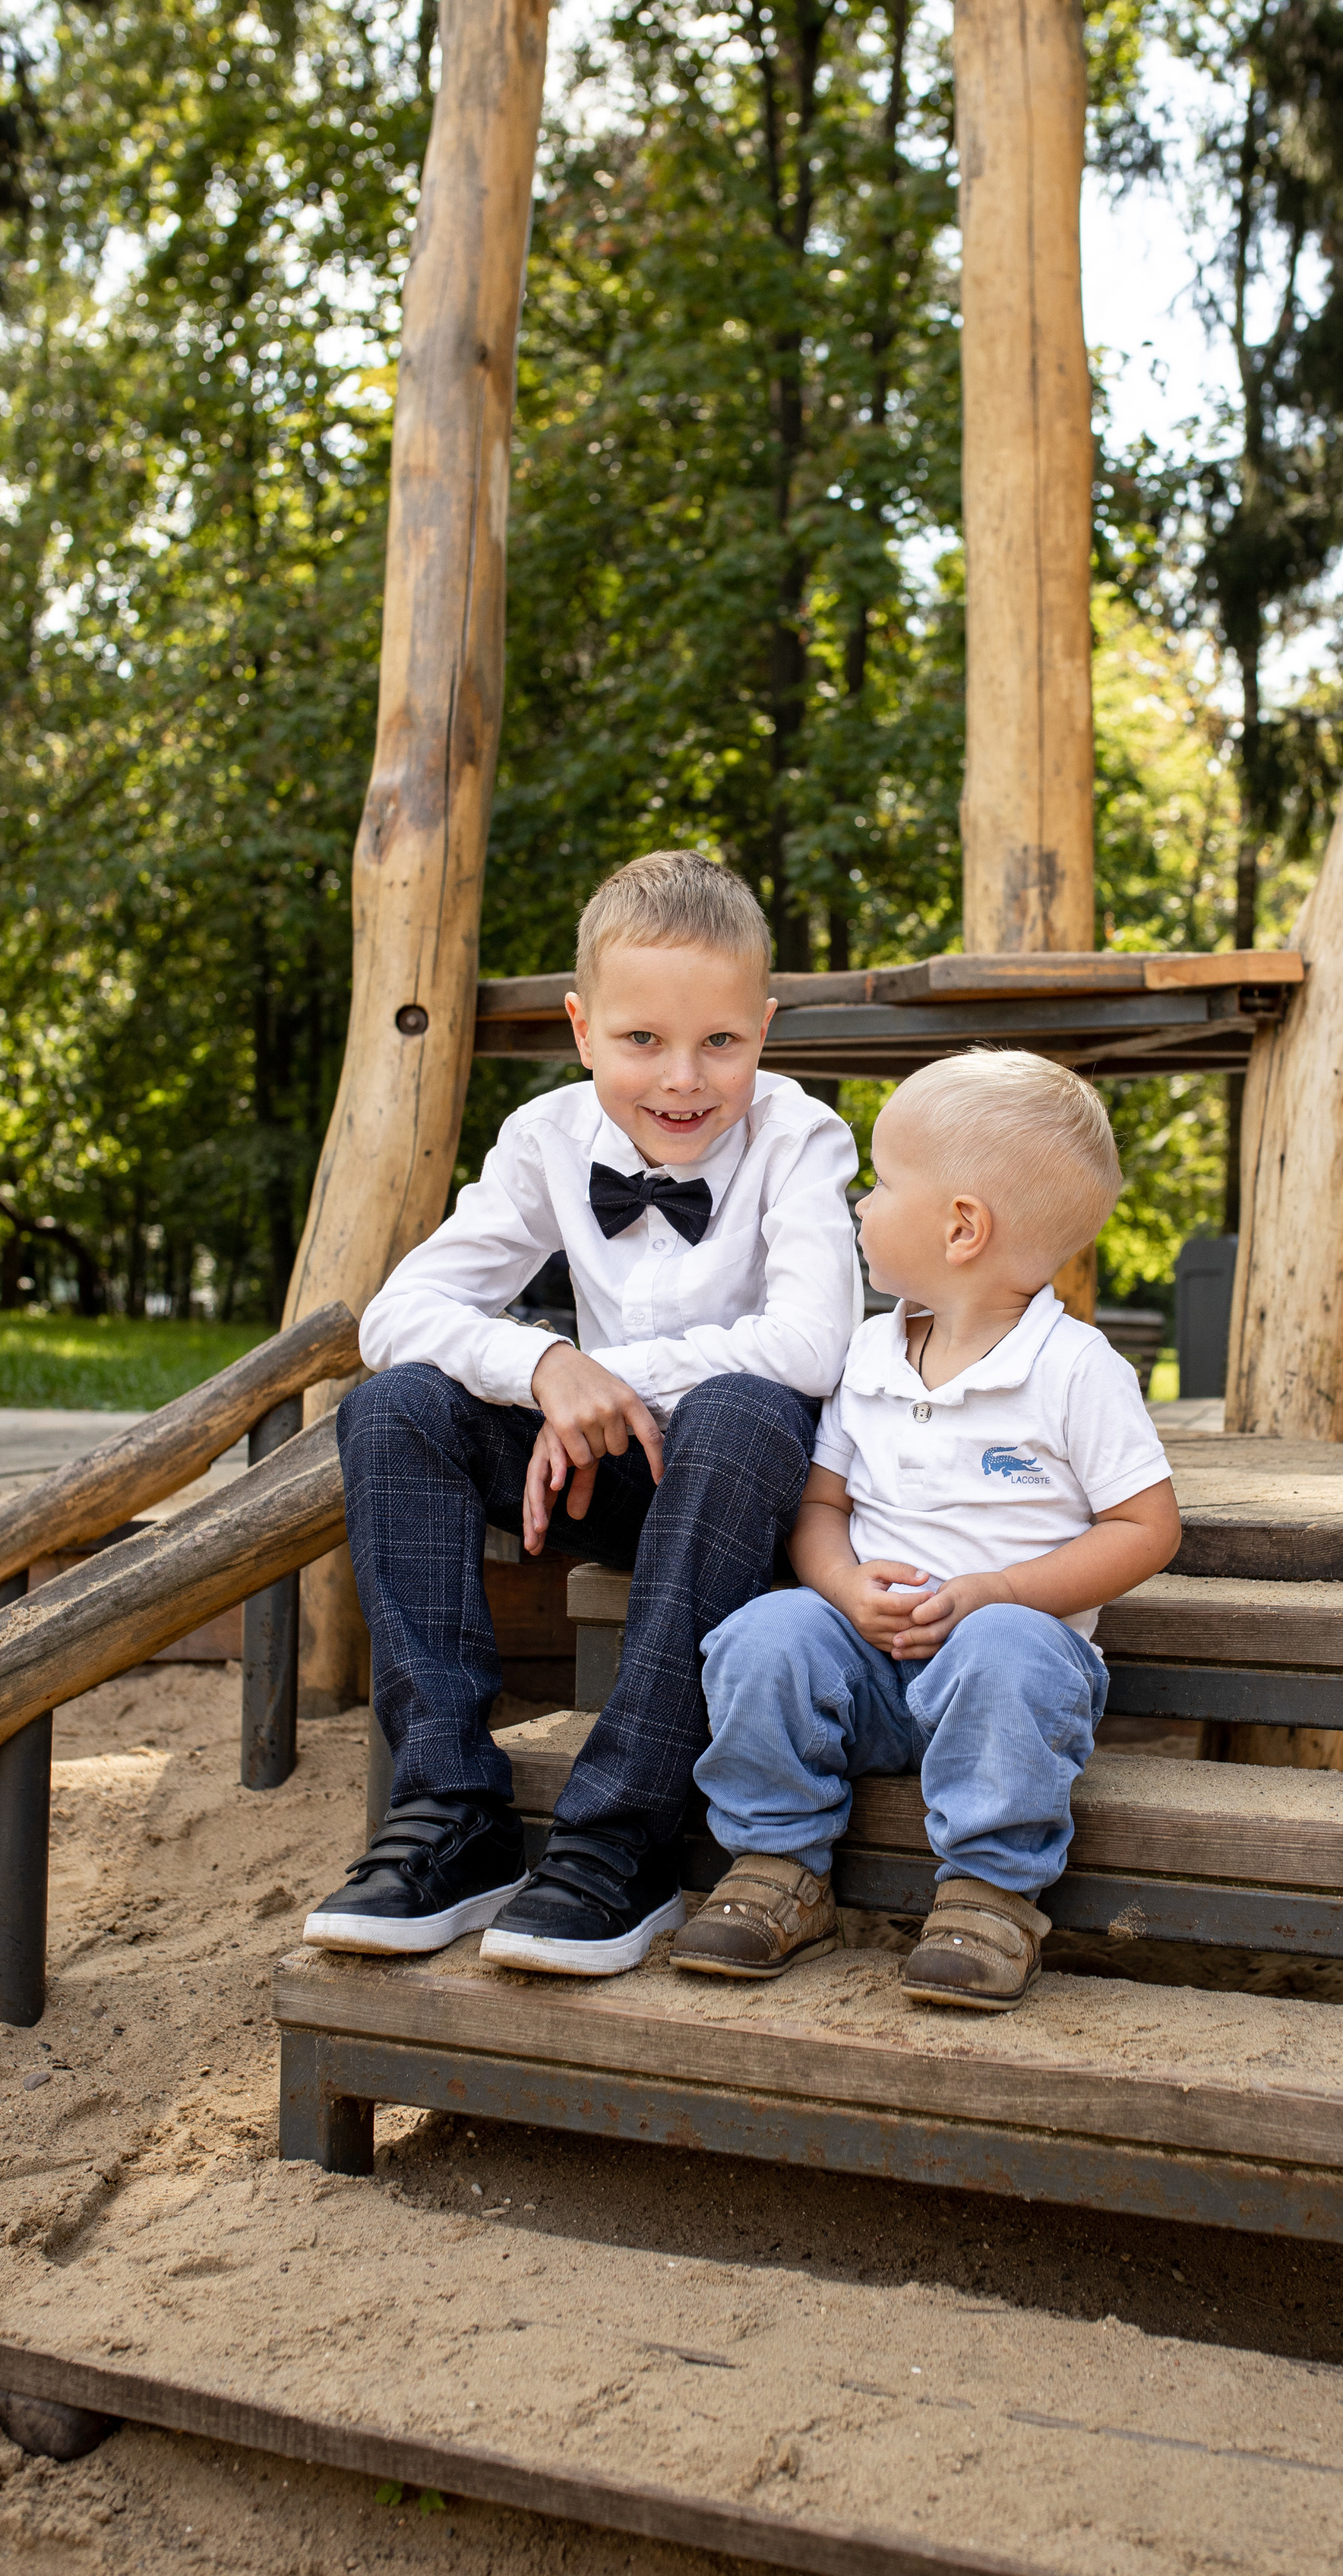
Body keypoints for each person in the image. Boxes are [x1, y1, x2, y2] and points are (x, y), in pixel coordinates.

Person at [304, 851, 861, 1974]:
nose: (683, 1079)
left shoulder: (802, 1136)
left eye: (722, 1042)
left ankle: (624, 1835)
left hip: (752, 1495)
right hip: (609, 1471)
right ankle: (453, 1807)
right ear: (580, 1025)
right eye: (641, 1040)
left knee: (745, 1407)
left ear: (766, 1025)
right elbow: (398, 1312)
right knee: (395, 1408)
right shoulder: (548, 1137)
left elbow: (812, 1345)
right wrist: (550, 1363)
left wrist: (619, 1376)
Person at [666, 1051, 1182, 2015]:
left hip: (1001, 1682)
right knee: (760, 1635)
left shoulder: (1074, 1370)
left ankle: (989, 1894)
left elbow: (1147, 1527)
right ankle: (779, 1865)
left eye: (882, 1182)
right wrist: (840, 1586)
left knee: (1007, 1653)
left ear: (961, 1227)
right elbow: (821, 1507)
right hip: (863, 1663)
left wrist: (999, 1593)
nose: (861, 1204)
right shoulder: (869, 1351)